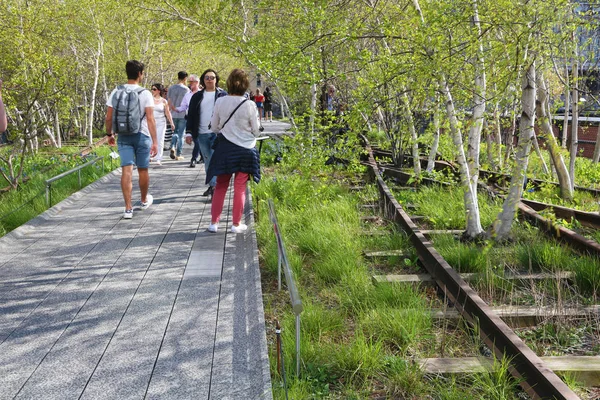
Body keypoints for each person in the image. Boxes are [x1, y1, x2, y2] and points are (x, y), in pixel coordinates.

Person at [206, 69, 261, 234]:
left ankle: (214, 223)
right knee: (240, 187)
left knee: (221, 185)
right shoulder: (249, 104)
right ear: (245, 84)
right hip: (245, 150)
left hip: (225, 149)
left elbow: (214, 127)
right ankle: (236, 224)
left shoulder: (220, 102)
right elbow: (256, 131)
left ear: (229, 83)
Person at [105, 60, 158, 219]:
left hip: (123, 135)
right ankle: (143, 200)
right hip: (142, 136)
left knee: (126, 170)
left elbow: (109, 117)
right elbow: (150, 119)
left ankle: (128, 208)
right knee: (143, 169)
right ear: (140, 74)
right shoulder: (145, 93)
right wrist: (155, 141)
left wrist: (109, 134)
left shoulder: (116, 91)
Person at [185, 69, 227, 196]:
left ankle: (214, 187)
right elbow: (191, 115)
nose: (209, 80)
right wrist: (188, 133)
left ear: (216, 79)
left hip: (217, 133)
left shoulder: (223, 95)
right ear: (203, 80)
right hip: (202, 133)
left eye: (212, 77)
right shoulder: (197, 96)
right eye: (207, 77)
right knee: (208, 160)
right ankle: (213, 185)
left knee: (216, 159)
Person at [171, 74, 201, 161]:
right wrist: (175, 109)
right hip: (190, 119)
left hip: (200, 120)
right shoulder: (187, 95)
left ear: (197, 82)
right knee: (195, 139)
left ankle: (195, 158)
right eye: (189, 82)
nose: (190, 84)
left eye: (192, 82)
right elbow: (183, 106)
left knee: (198, 140)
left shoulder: (202, 94)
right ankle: (198, 156)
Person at [167, 71, 190, 160]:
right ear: (185, 78)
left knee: (174, 132)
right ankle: (179, 154)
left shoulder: (171, 88)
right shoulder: (186, 90)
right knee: (181, 134)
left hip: (173, 113)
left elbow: (169, 101)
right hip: (182, 114)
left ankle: (172, 146)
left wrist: (168, 111)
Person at [150, 83, 174, 165]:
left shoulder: (164, 101)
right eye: (152, 89)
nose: (152, 91)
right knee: (150, 139)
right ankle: (151, 156)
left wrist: (171, 123)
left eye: (154, 89)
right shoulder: (150, 99)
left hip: (161, 122)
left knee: (160, 139)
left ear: (159, 91)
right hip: (151, 122)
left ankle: (158, 158)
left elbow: (167, 113)